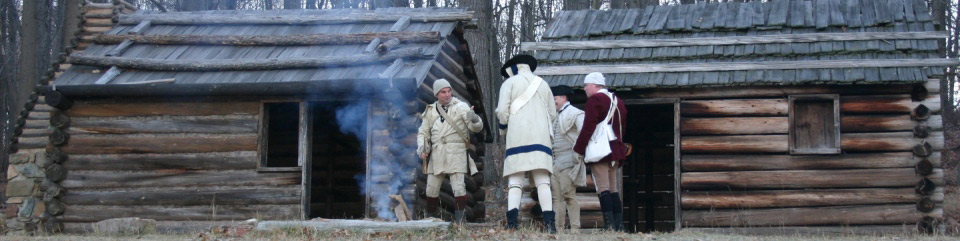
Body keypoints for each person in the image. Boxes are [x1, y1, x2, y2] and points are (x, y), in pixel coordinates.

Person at [495, 54, 558, 233]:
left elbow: (501, 111)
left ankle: (513, 224)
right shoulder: (543, 84)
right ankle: (550, 225)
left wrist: (503, 130)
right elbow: (552, 115)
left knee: (515, 181)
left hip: (517, 137)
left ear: (514, 67)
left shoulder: (509, 83)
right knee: (543, 181)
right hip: (541, 138)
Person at [417, 79, 483, 223]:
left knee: (459, 188)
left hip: (456, 151)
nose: (447, 95)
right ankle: (430, 223)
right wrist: (423, 148)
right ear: (437, 94)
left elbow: (475, 128)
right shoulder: (430, 110)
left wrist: (475, 119)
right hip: (437, 153)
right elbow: (423, 133)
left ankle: (461, 224)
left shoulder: (461, 107)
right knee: (431, 190)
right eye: (443, 92)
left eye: (449, 91)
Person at [573, 72, 627, 232]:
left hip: (600, 151)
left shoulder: (595, 100)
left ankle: (610, 227)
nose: (584, 89)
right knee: (613, 189)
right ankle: (620, 226)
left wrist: (579, 148)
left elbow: (588, 127)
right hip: (615, 150)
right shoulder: (618, 101)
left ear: (595, 85)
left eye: (586, 85)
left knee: (603, 188)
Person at [550, 85, 587, 233]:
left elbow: (584, 133)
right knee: (557, 198)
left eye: (555, 98)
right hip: (555, 163)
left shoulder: (576, 113)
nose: (553, 101)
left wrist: (578, 153)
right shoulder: (554, 116)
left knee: (569, 196)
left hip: (568, 161)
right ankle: (559, 229)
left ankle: (575, 230)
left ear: (564, 98)